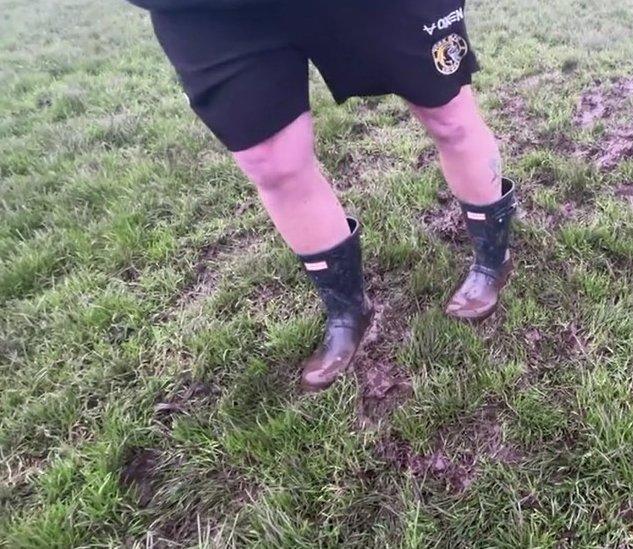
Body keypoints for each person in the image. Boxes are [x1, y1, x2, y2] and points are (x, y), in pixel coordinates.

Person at [129, 0, 517, 391]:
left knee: (448, 113)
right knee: (270, 161)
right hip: (208, 11)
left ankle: (493, 259)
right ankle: (347, 312)